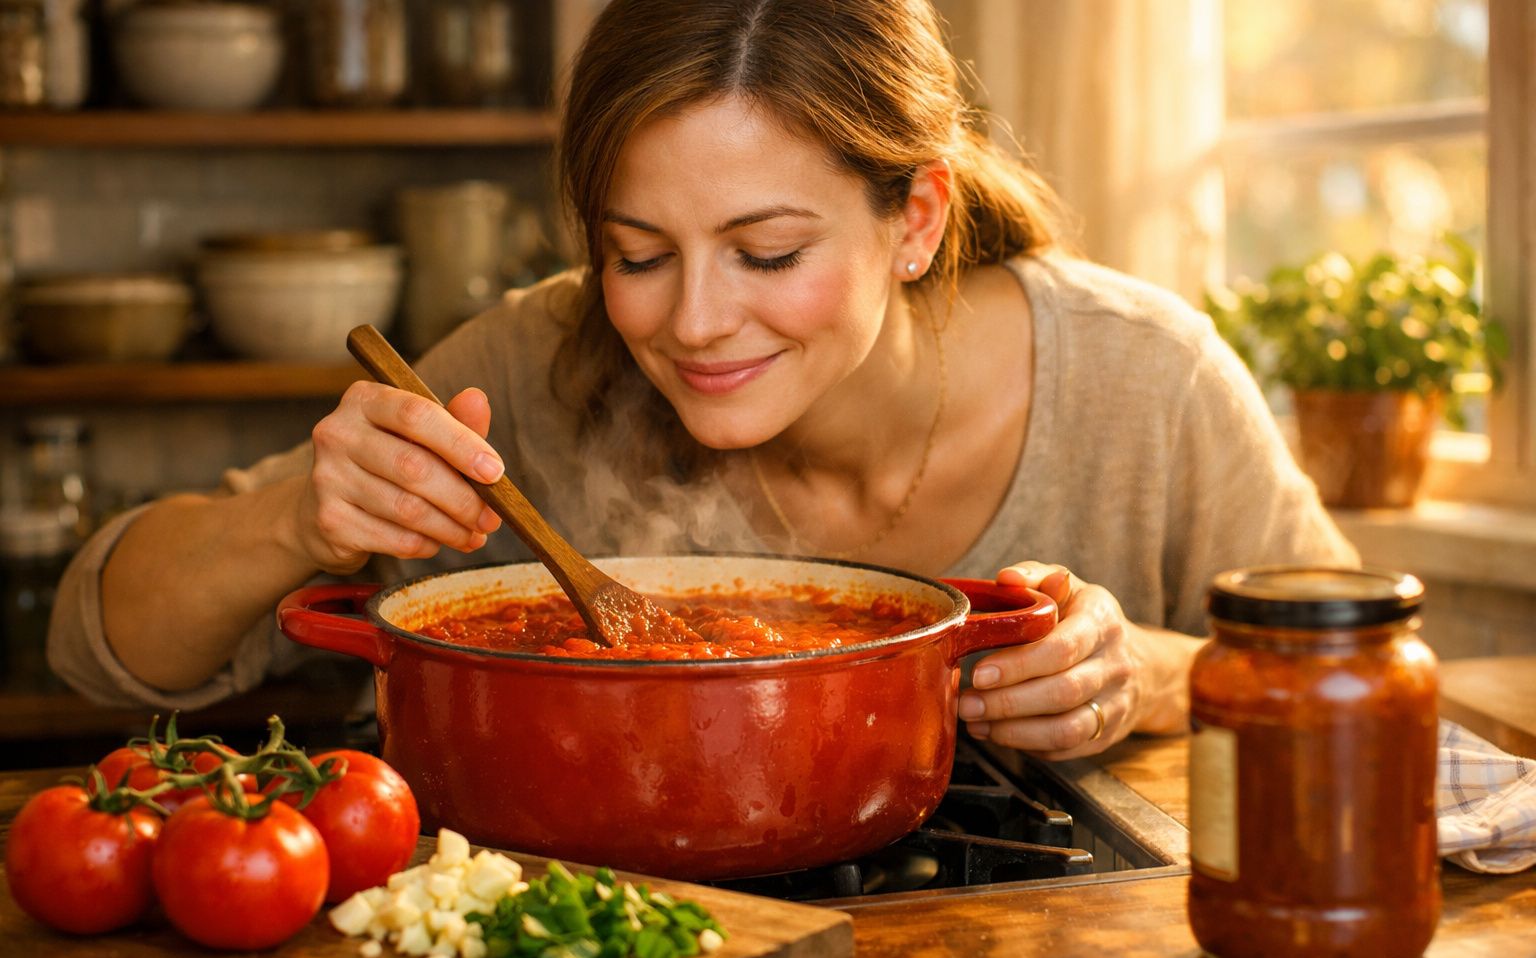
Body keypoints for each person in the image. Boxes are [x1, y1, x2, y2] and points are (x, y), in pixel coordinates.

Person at [48, 0, 1355, 760]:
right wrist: (296, 522)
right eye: (637, 254)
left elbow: (1370, 683)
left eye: (767, 251)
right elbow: (98, 645)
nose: (695, 323)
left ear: (914, 220)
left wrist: (1162, 675)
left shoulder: (1146, 381)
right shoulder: (524, 370)